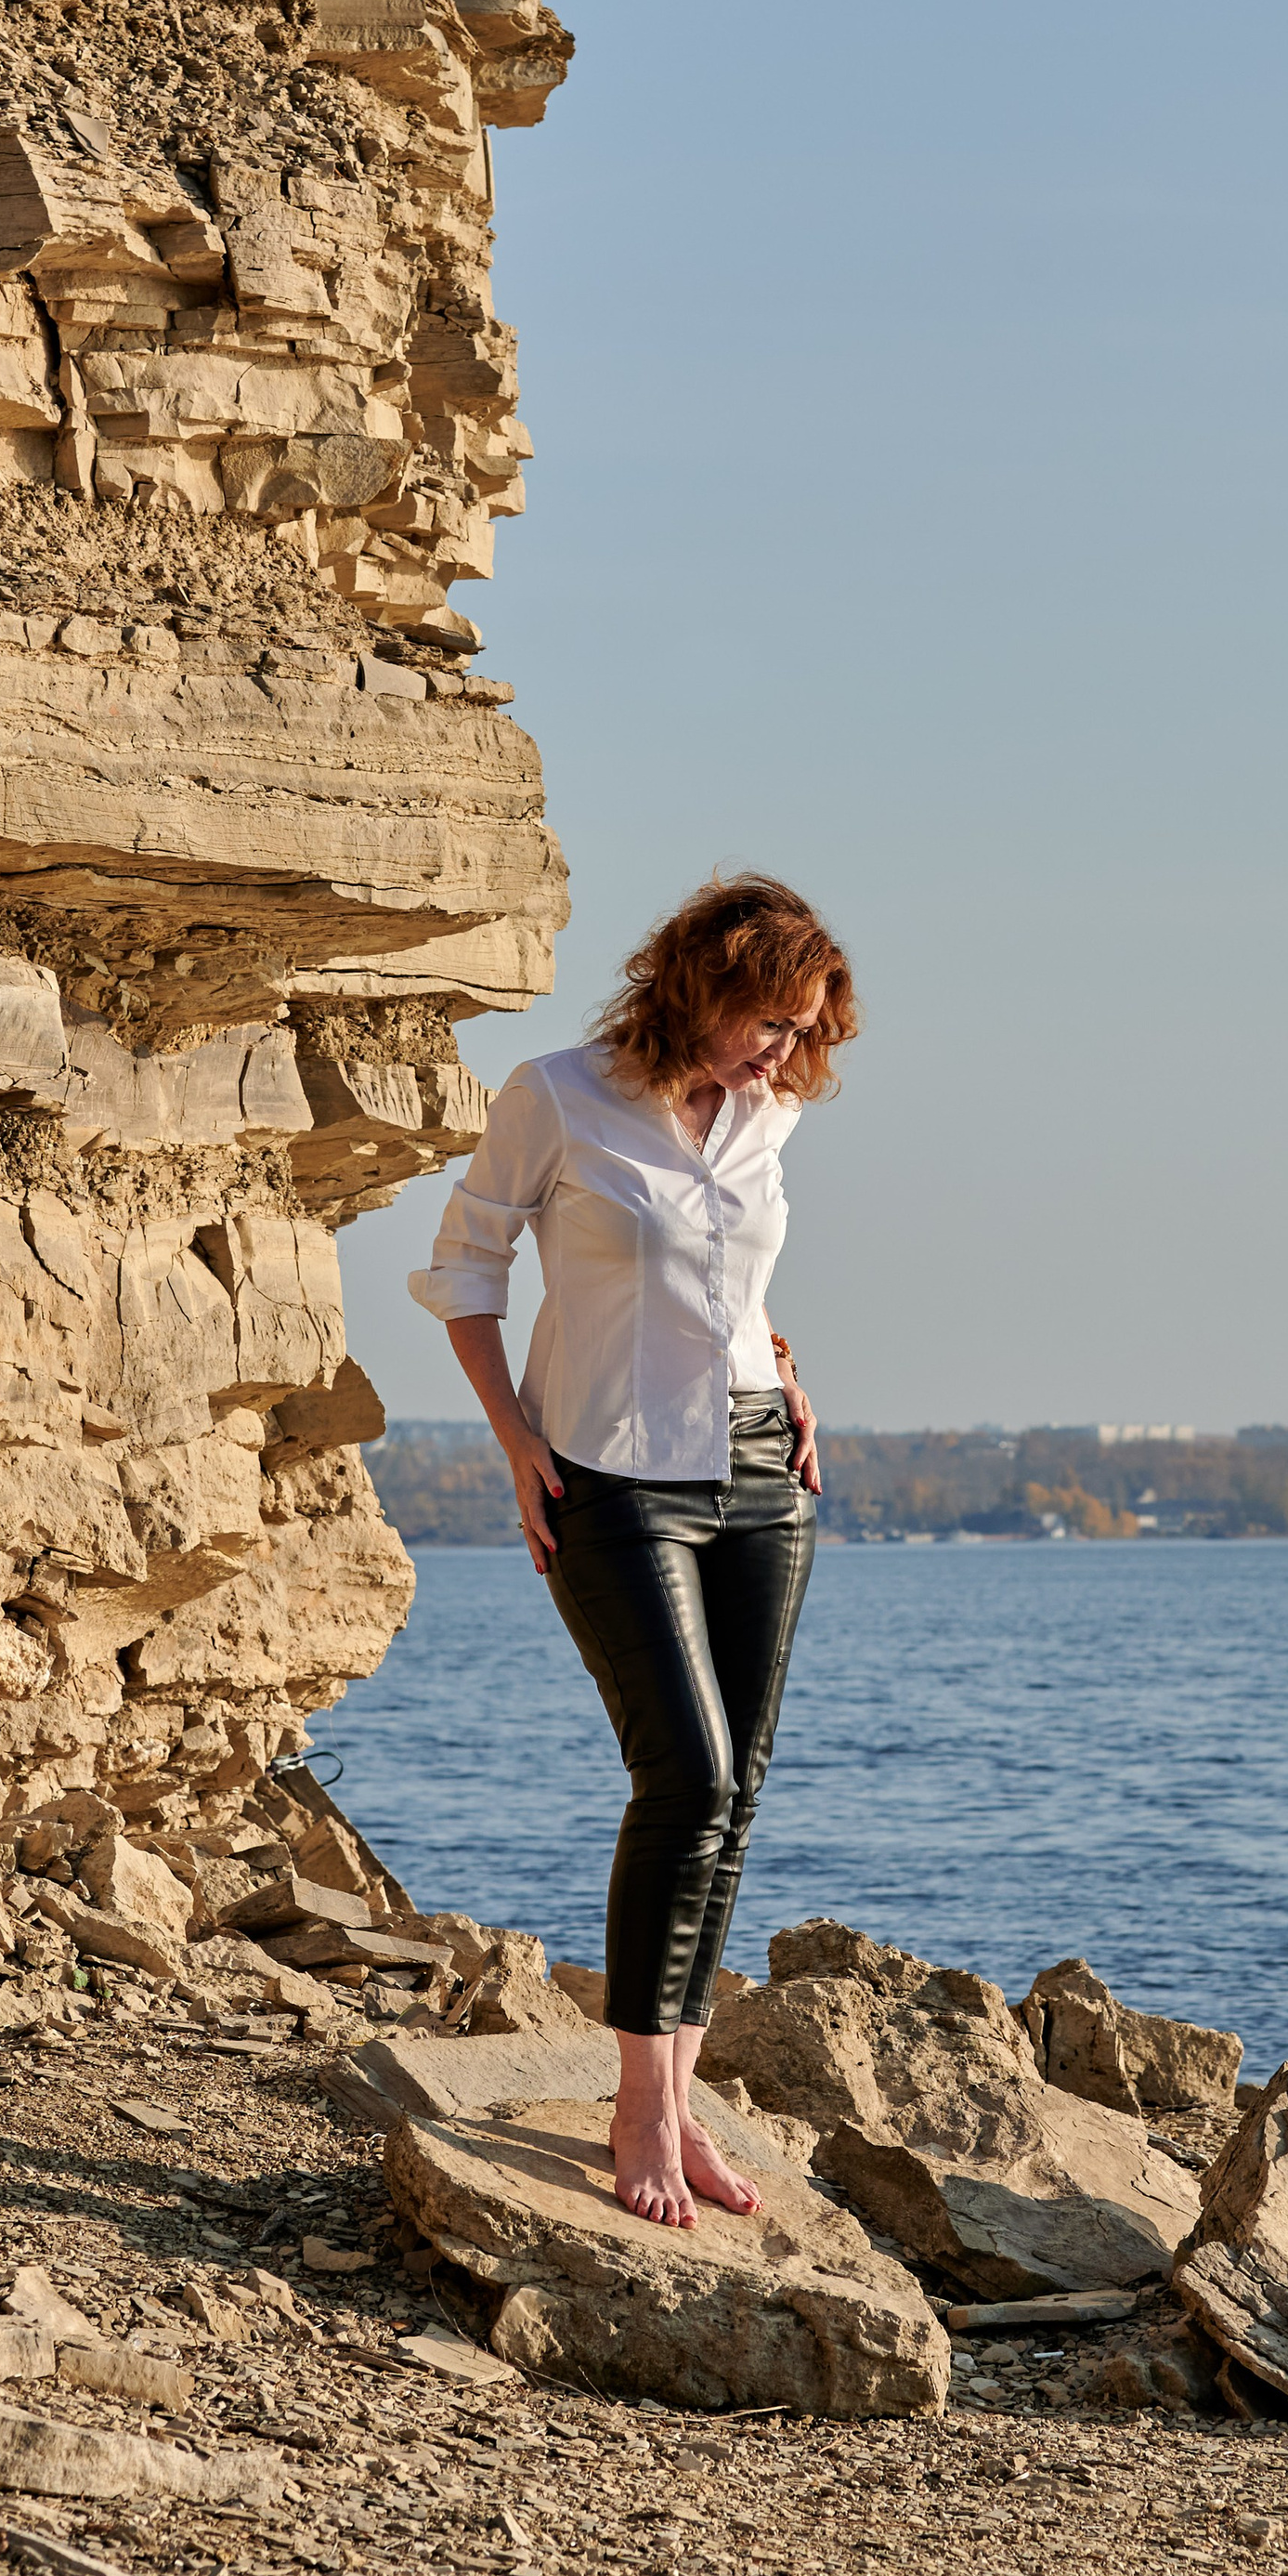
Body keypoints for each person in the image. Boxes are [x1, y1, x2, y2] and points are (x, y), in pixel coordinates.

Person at [410, 872, 857, 2228]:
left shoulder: (769, 1112)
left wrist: (782, 1365)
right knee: (688, 1772)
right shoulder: (556, 1095)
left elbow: (728, 1276)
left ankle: (680, 2098)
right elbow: (467, 1270)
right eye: (766, 1019)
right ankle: (636, 2107)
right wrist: (513, 1441)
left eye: (802, 1029)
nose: (781, 1051)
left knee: (739, 1793)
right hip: (606, 1471)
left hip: (760, 1464)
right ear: (699, 985)